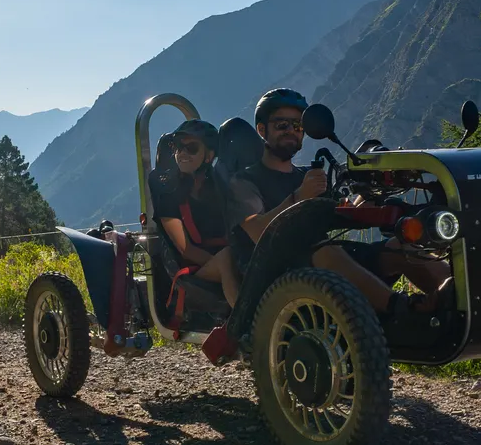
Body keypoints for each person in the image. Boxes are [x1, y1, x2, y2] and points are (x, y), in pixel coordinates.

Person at [227, 88, 451, 320]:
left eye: (297, 126)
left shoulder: (309, 175)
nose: (291, 132)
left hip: (328, 267)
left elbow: (341, 213)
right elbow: (258, 232)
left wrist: (365, 200)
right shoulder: (244, 181)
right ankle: (403, 308)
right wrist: (300, 196)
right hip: (276, 275)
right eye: (282, 125)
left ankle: (458, 295)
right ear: (262, 130)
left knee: (399, 246)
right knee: (324, 250)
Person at [153, 119, 241, 307]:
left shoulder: (221, 188)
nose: (182, 153)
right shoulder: (169, 196)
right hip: (195, 268)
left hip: (230, 256)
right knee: (227, 259)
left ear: (208, 156)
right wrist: (229, 263)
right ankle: (246, 326)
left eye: (191, 148)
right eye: (178, 147)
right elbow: (186, 249)